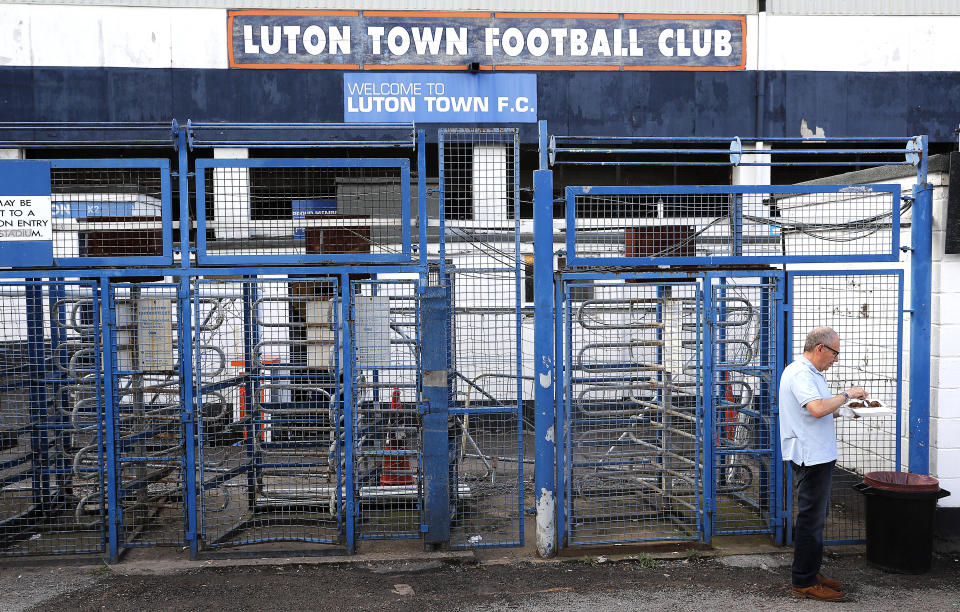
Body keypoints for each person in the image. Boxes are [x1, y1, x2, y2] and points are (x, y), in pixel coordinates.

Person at [779, 327, 868, 602]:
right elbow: (817, 409)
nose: (836, 359)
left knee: (816, 520)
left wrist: (846, 409)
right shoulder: (800, 373)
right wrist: (846, 394)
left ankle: (811, 572)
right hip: (811, 456)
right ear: (820, 348)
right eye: (835, 352)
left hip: (819, 454)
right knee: (810, 520)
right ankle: (803, 581)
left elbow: (819, 410)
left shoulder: (811, 374)